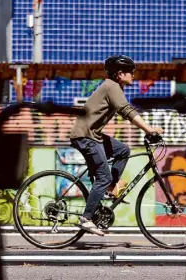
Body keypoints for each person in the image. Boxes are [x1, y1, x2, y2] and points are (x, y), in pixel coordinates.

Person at [70, 55, 164, 236]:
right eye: (131, 73)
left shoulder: (114, 87)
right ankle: (86, 218)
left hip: (93, 135)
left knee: (123, 150)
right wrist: (149, 129)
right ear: (120, 74)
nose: (133, 76)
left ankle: (109, 187)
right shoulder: (111, 86)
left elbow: (126, 112)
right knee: (103, 177)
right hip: (86, 137)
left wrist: (146, 129)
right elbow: (127, 110)